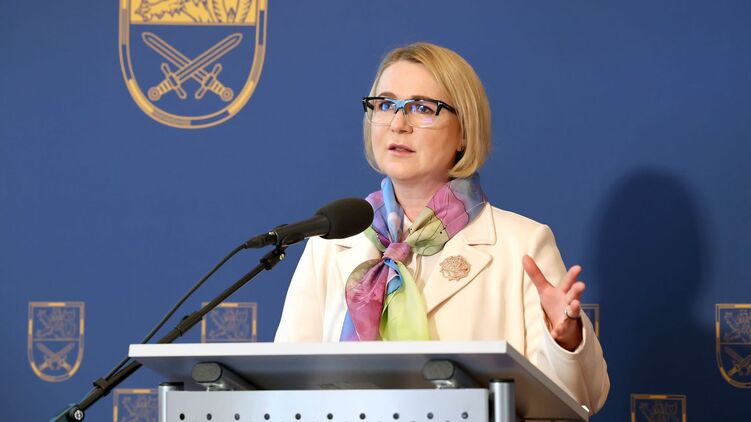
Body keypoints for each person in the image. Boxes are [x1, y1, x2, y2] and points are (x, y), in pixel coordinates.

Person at [275, 42, 609, 414]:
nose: (398, 124)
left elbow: (584, 398)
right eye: (385, 105)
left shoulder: (522, 245)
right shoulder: (332, 241)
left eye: (421, 108)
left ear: (464, 131)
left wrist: (564, 341)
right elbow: (286, 385)